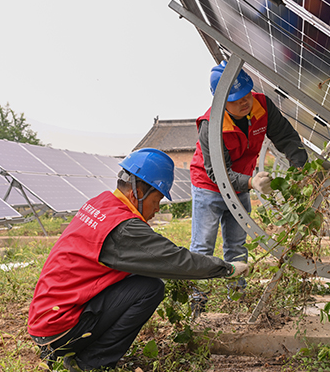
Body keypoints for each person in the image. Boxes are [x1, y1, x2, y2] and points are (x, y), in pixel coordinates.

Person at [27, 148, 248, 371]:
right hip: (60, 329)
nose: (157, 208)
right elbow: (175, 261)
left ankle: (80, 355)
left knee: (140, 276)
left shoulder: (102, 204)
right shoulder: (123, 227)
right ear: (138, 192)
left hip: (47, 320)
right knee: (150, 288)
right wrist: (226, 268)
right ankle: (91, 364)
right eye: (158, 198)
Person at [189, 60, 308, 300]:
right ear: (221, 100)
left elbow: (286, 137)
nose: (244, 102)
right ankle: (197, 300)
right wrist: (252, 183)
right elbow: (217, 173)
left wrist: (301, 168)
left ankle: (237, 295)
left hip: (241, 184)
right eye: (236, 99)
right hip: (209, 187)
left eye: (246, 95)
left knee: (236, 244)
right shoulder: (211, 125)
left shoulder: (262, 106)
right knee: (203, 246)